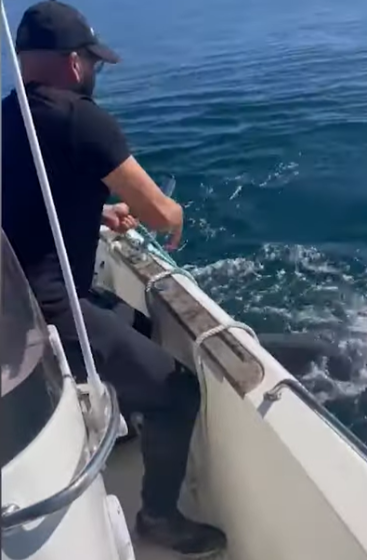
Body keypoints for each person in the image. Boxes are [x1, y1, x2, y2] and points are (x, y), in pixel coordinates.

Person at [1, 2, 227, 556]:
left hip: (14, 306)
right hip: (55, 310)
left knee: (142, 328)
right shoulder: (82, 117)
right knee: (178, 390)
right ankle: (158, 516)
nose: (95, 73)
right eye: (94, 63)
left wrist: (95, 213)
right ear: (75, 63)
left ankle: (124, 409)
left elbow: (28, 197)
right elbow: (157, 211)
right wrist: (171, 214)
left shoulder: (10, 116)